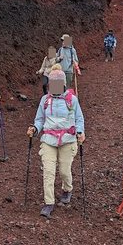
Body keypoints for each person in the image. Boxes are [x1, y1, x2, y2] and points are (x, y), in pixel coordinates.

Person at [27, 65, 85, 218]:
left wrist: (80, 132)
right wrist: (35, 129)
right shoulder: (45, 100)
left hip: (68, 140)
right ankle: (49, 203)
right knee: (48, 171)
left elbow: (79, 119)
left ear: (63, 84)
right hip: (48, 140)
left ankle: (67, 189)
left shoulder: (72, 100)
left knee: (65, 171)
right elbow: (40, 119)